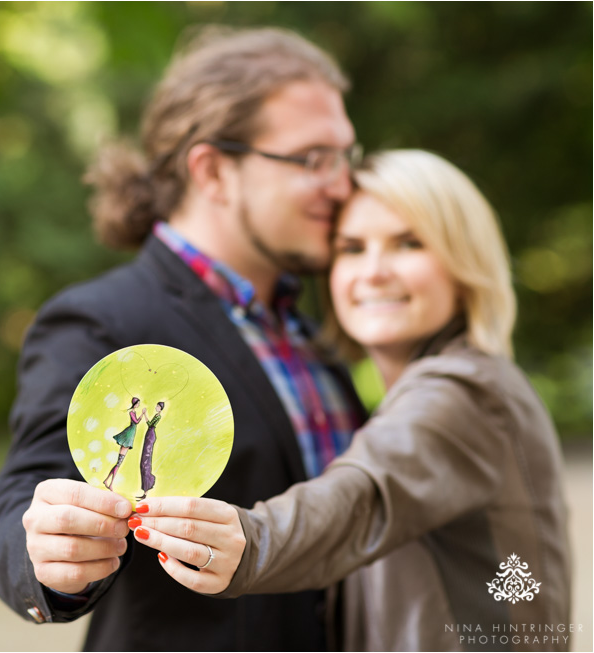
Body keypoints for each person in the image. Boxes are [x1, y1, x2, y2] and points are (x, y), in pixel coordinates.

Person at [0, 26, 366, 651]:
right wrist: (46, 550)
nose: (342, 185)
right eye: (312, 158)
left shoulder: (310, 331)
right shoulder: (101, 321)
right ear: (213, 170)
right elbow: (26, 490)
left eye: (346, 157)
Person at [129, 150, 572, 651]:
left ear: (463, 261)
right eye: (353, 248)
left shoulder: (466, 391)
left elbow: (362, 496)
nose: (375, 271)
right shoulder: (418, 388)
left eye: (409, 243)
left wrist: (251, 541)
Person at [102, 397, 144, 490]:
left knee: (119, 463)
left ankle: (106, 480)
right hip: (127, 437)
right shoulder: (132, 412)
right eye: (138, 403)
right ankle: (111, 484)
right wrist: (142, 414)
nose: (139, 405)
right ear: (135, 404)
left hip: (130, 436)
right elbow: (136, 422)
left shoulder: (134, 412)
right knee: (119, 463)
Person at [137, 401, 164, 500]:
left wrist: (144, 414)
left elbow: (150, 424)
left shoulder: (158, 416)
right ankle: (145, 492)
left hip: (150, 435)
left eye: (158, 406)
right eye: (156, 405)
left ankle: (148, 486)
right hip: (149, 435)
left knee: (145, 463)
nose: (156, 407)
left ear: (161, 408)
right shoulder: (156, 415)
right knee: (143, 463)